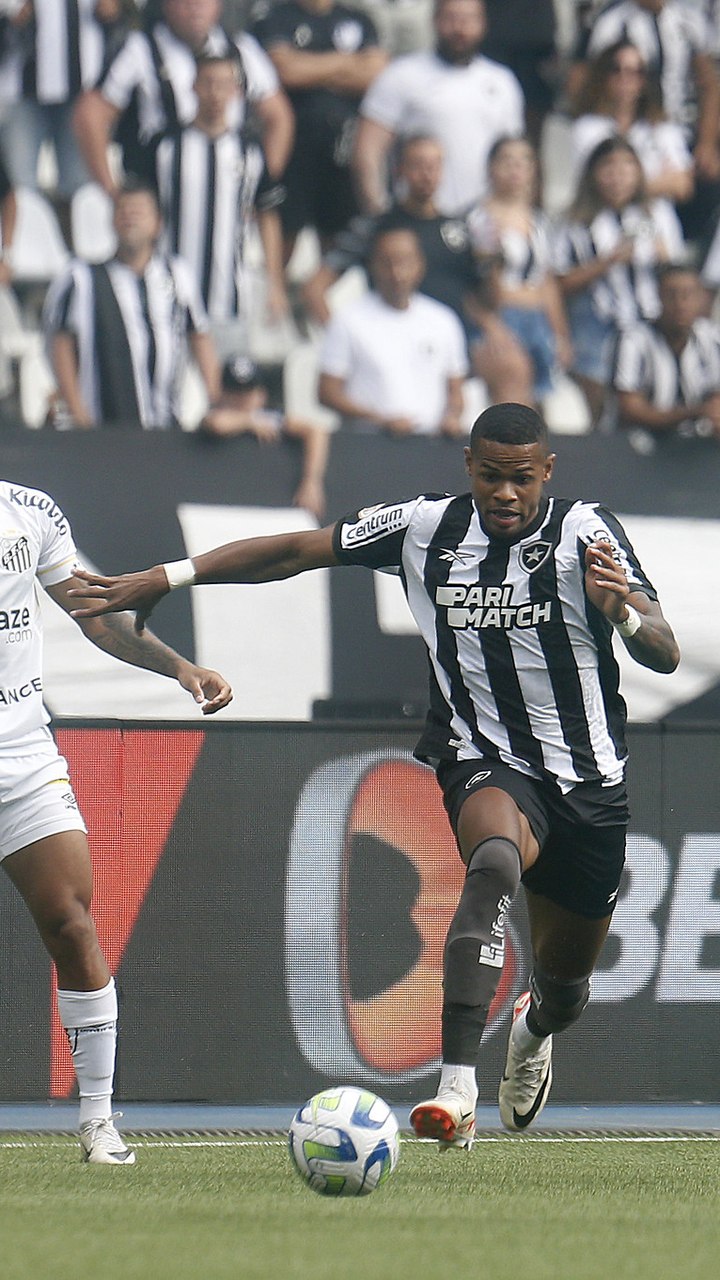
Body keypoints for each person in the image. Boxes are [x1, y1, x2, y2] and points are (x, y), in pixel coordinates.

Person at [68, 401, 680, 1146]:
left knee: (565, 989)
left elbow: (663, 650)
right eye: (491, 477)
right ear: (468, 466)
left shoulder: (587, 532)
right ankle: (456, 1092)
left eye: (521, 478)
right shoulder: (424, 528)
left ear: (547, 471)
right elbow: (295, 550)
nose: (506, 494)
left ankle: (534, 1027)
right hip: (483, 758)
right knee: (491, 863)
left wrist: (622, 615)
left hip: (588, 782)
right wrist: (170, 575)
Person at [0, 475, 231, 1163]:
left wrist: (179, 667)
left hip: (21, 751)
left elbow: (93, 614)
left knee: (71, 921)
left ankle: (98, 1122)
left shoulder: (29, 509)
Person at [43, 181, 221, 429]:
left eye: (139, 211)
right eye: (123, 211)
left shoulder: (177, 275)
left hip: (165, 425)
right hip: (100, 427)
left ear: (158, 223)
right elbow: (61, 344)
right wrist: (77, 411)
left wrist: (216, 400)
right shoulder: (80, 278)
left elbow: (200, 335)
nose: (130, 217)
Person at [146, 52, 288, 361]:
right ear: (193, 87)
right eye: (208, 83)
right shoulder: (165, 146)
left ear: (236, 91)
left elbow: (267, 214)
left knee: (229, 396)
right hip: (169, 297)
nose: (215, 93)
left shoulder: (250, 150)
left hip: (228, 299)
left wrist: (275, 284)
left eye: (224, 85)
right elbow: (145, 211)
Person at [72, 0, 294, 197]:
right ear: (166, 5)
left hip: (227, 187)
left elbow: (279, 116)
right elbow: (90, 115)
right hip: (159, 190)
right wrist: (113, 193)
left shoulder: (241, 49)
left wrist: (258, 187)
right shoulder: (139, 49)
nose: (195, 6)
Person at [553, 135, 685, 425]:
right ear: (593, 175)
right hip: (599, 323)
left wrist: (659, 255)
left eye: (626, 168)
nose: (618, 178)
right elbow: (558, 282)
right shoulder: (575, 221)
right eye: (608, 169)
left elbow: (677, 269)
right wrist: (607, 262)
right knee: (600, 406)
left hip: (650, 321)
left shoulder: (657, 214)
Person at [352, 0, 525, 217]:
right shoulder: (401, 75)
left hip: (484, 221)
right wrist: (378, 210)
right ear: (434, 21)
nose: (460, 28)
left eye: (469, 19)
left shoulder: (503, 82)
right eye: (451, 18)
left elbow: (514, 157)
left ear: (483, 23)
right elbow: (368, 150)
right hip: (420, 219)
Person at [251, 0, 388, 263]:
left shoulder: (359, 19)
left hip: (343, 149)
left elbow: (375, 73)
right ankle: (275, 298)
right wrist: (348, 62)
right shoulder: (274, 17)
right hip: (293, 150)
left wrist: (311, 67)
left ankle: (327, 301)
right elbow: (285, 70)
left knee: (338, 240)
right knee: (283, 233)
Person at [573, 0, 720, 240]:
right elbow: (588, 76)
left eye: (634, 73)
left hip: (676, 124)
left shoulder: (688, 19)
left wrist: (707, 142)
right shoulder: (612, 22)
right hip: (624, 123)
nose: (626, 79)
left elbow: (709, 83)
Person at [0, 0, 132, 248]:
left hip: (83, 90)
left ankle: (87, 255)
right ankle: (17, 261)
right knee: (19, 186)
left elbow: (124, 17)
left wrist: (114, 10)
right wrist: (12, 15)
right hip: (20, 90)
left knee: (81, 187)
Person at [317, 224, 469, 434]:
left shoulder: (443, 320)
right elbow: (327, 392)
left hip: (430, 446)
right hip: (371, 446)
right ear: (372, 266)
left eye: (404, 262)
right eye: (387, 263)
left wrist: (451, 417)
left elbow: (456, 390)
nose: (396, 273)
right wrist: (380, 421)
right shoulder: (348, 320)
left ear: (420, 265)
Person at [468, 135, 571, 406]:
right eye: (507, 161)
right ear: (491, 168)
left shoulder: (539, 221)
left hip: (538, 318)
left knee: (542, 399)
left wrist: (560, 333)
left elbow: (547, 281)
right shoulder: (476, 220)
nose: (516, 169)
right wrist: (490, 324)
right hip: (501, 316)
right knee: (512, 395)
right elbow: (467, 283)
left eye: (524, 162)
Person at [201, 355, 330, 519]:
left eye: (248, 392)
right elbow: (216, 424)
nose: (242, 399)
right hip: (220, 501)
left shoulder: (270, 418)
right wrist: (248, 421)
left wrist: (311, 481)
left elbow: (316, 431)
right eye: (236, 392)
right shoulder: (216, 416)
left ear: (261, 394)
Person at [571, 38, 694, 206]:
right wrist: (658, 183)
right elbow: (590, 187)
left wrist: (623, 187)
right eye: (617, 70)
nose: (625, 78)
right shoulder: (587, 129)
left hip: (655, 223)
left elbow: (682, 185)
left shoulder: (662, 129)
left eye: (635, 72)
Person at [613, 261, 720, 449]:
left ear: (700, 298)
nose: (680, 303)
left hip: (696, 446)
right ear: (659, 296)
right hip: (638, 445)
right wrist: (694, 413)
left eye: (688, 295)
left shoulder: (711, 339)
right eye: (672, 295)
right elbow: (630, 409)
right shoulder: (634, 340)